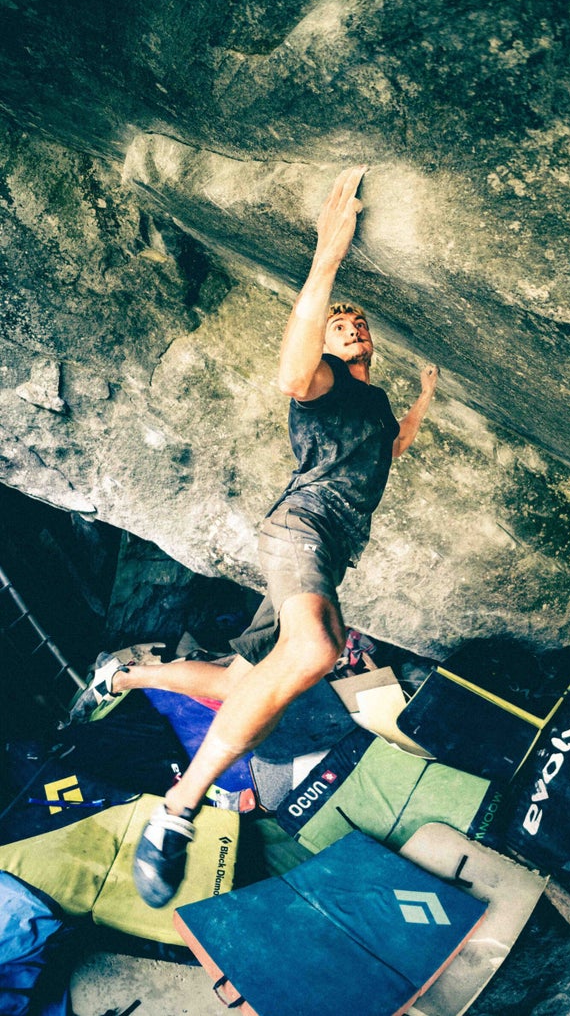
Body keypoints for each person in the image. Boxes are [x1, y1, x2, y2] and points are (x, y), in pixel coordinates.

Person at [69, 166, 439, 907]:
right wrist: (325, 261)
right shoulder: (327, 384)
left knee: (247, 681)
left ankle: (123, 674)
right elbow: (290, 371)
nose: (353, 323)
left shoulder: (369, 404)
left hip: (324, 552)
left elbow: (388, 450)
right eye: (341, 320)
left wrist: (424, 402)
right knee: (317, 651)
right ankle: (178, 811)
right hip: (299, 534)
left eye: (359, 319)